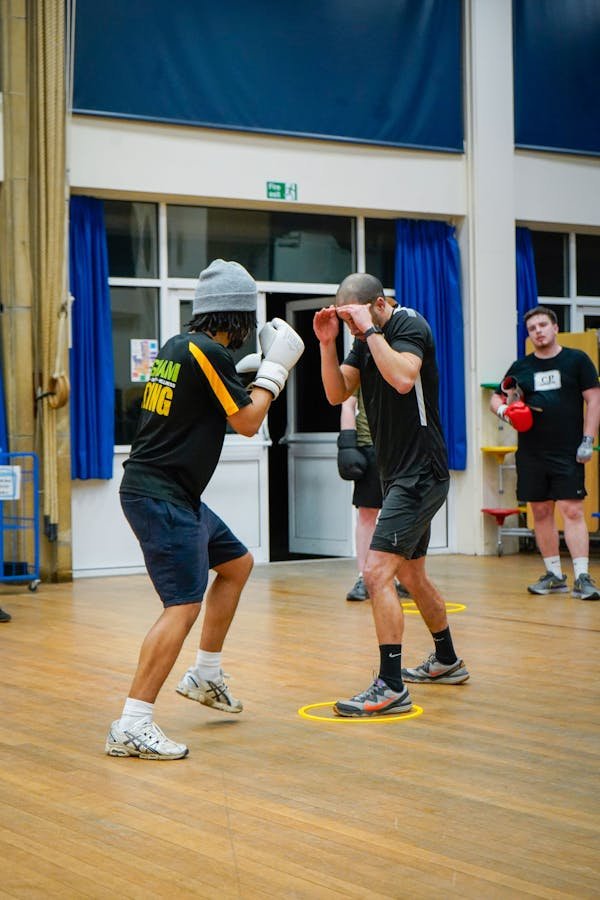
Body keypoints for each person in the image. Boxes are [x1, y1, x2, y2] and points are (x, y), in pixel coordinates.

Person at [106, 259, 304, 759]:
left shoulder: (180, 346)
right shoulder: (209, 352)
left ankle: (205, 675)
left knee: (236, 564)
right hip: (161, 495)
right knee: (182, 605)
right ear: (237, 315)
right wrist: (276, 368)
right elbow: (245, 421)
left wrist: (251, 371)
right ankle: (132, 721)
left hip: (172, 492)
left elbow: (206, 398)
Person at [314, 272, 469, 718]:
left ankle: (390, 685)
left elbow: (403, 378)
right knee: (412, 576)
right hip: (397, 472)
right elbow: (335, 391)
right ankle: (446, 660)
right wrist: (328, 343)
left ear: (378, 304)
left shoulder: (407, 325)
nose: (351, 329)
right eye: (344, 321)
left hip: (422, 470)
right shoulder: (364, 338)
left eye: (353, 318)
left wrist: (370, 331)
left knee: (377, 573)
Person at [490, 305, 600, 601]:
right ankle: (554, 575)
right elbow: (497, 396)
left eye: (542, 325)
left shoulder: (577, 360)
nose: (537, 331)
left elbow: (594, 399)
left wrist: (588, 439)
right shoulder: (521, 367)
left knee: (572, 510)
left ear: (554, 328)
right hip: (532, 451)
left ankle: (582, 577)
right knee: (540, 511)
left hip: (568, 450)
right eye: (532, 328)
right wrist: (506, 411)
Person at [337, 391, 409, 602]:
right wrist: (348, 444)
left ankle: (404, 576)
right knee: (367, 512)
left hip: (401, 449)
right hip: (369, 446)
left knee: (403, 513)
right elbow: (347, 403)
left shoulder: (408, 360)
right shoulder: (360, 361)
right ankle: (364, 577)